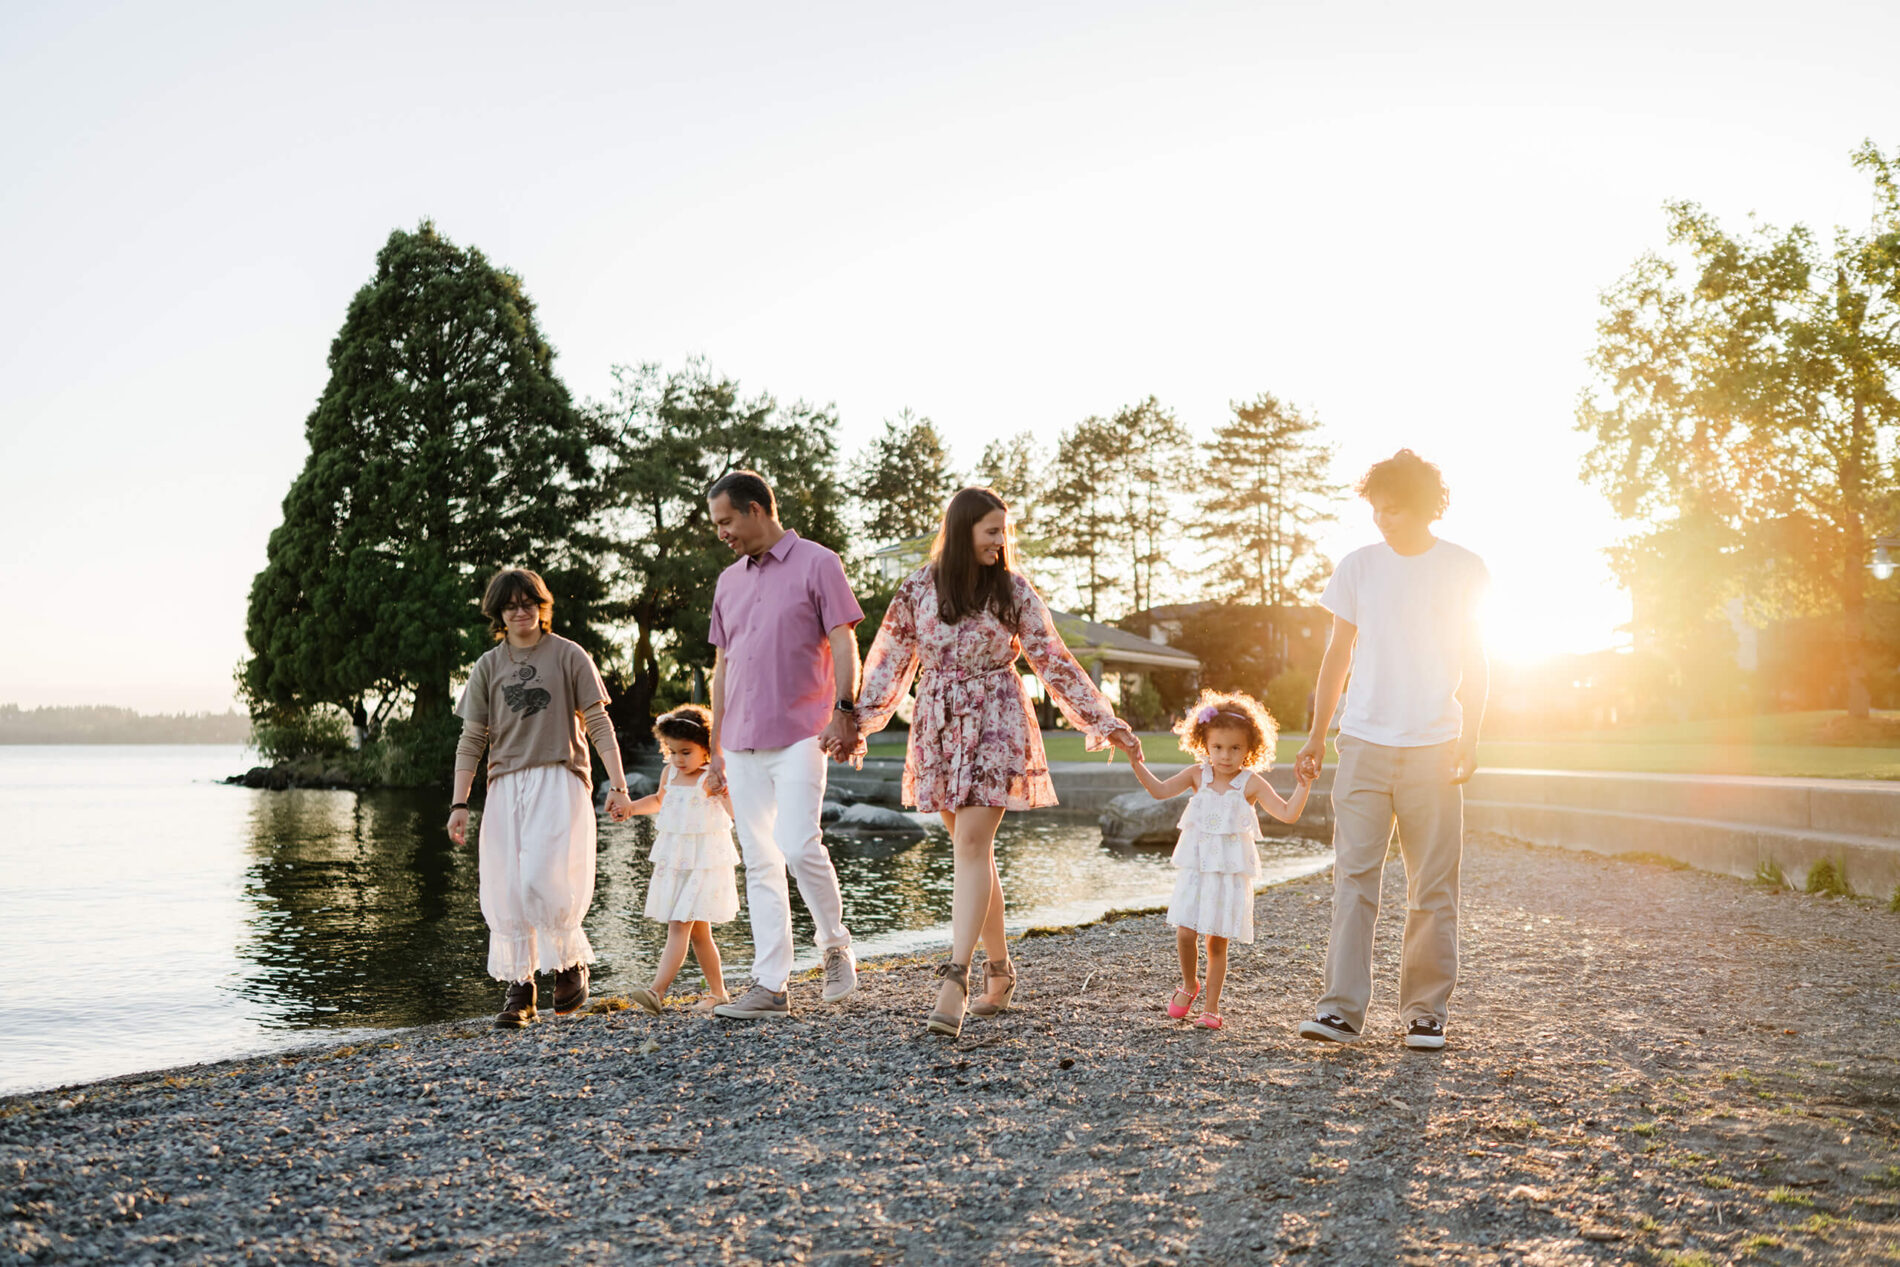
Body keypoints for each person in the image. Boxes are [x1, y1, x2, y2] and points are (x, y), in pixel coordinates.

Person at [851, 486, 1144, 1037]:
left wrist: (1101, 720)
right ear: (964, 531)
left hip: (996, 720)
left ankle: (954, 979)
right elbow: (887, 662)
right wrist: (858, 721)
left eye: (1004, 531)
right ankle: (1001, 972)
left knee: (970, 845)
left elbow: (1053, 659)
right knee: (973, 853)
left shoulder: (1013, 590)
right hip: (938, 728)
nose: (1001, 541)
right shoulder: (918, 589)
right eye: (991, 531)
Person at [1293, 449, 1489, 1051]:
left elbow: (1477, 660)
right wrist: (1317, 732)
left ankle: (1425, 1012)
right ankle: (1340, 1011)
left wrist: (1471, 737)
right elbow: (1337, 657)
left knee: (1432, 884)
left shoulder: (1463, 567)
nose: (1383, 520)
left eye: (1395, 510)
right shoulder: (1357, 567)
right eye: (1376, 510)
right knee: (1354, 878)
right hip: (1365, 742)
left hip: (1434, 744)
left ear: (1427, 507)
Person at [700, 470, 864, 1020]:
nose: (722, 532)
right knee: (761, 863)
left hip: (803, 733)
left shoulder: (819, 562)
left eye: (726, 521)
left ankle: (835, 944)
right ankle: (771, 985)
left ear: (754, 509)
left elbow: (844, 639)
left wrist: (845, 711)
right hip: (740, 742)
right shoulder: (728, 582)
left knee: (797, 845)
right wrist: (716, 745)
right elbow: (722, 667)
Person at [446, 568, 635, 1029]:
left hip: (560, 776)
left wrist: (620, 785)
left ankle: (570, 964)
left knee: (541, 877)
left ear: (541, 606)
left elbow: (599, 724)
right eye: (510, 605)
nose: (520, 611)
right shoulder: (488, 665)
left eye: (528, 602)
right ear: (498, 613)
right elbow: (472, 739)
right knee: (507, 886)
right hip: (505, 783)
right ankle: (521, 986)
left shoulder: (569, 655)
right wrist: (458, 804)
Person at [1127, 690, 1312, 1030]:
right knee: (1185, 932)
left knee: (1216, 940)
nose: (1225, 756)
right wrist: (1136, 760)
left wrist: (1305, 784)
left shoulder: (1250, 783)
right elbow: (1160, 791)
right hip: (1197, 867)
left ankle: (1211, 1008)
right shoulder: (1199, 775)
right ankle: (1189, 984)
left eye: (1235, 748)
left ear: (1250, 747)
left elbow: (1287, 813)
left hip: (1227, 872)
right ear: (1205, 744)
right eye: (1218, 748)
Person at [621, 705, 738, 1016]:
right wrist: (631, 808)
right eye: (672, 752)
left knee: (679, 924)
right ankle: (718, 992)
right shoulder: (669, 773)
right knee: (699, 931)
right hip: (677, 861)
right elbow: (659, 801)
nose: (678, 759)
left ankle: (656, 991)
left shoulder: (711, 777)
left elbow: (735, 814)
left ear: (708, 748)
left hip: (705, 862)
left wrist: (724, 791)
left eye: (686, 752)